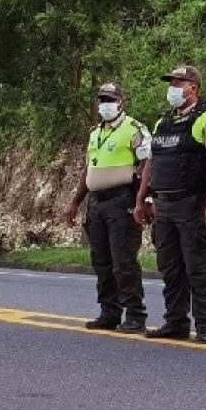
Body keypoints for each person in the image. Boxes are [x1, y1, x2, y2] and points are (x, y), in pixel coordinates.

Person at [133, 65, 206, 343]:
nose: (173, 87)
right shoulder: (163, 121)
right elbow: (152, 163)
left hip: (192, 204)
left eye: (179, 82)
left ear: (193, 88)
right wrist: (143, 197)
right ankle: (175, 322)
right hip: (164, 205)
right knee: (170, 267)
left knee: (197, 267)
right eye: (171, 82)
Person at [65, 83, 152, 333]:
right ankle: (109, 311)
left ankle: (135, 314)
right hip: (96, 202)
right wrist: (75, 201)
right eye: (102, 100)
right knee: (101, 260)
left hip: (121, 200)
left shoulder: (134, 129)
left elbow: (148, 164)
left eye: (110, 99)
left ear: (121, 102)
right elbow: (88, 169)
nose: (105, 104)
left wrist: (145, 199)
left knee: (123, 261)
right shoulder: (95, 133)